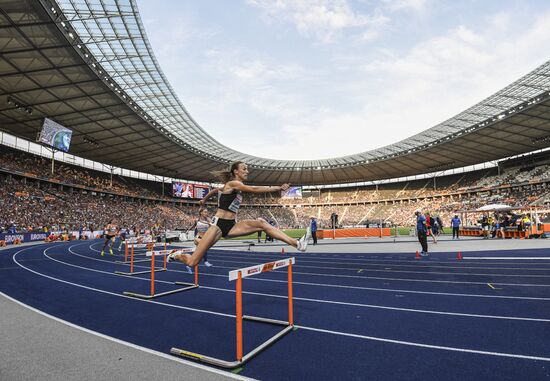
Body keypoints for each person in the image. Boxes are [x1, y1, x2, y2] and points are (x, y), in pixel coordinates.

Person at [168, 162, 311, 266]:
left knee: (262, 223)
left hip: (231, 225)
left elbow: (215, 190)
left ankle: (297, 244)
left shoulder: (229, 187)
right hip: (218, 225)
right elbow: (254, 189)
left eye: (247, 169)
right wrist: (278, 188)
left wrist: (204, 199)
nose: (247, 171)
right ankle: (177, 255)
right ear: (236, 171)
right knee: (193, 262)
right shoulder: (232, 184)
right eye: (244, 169)